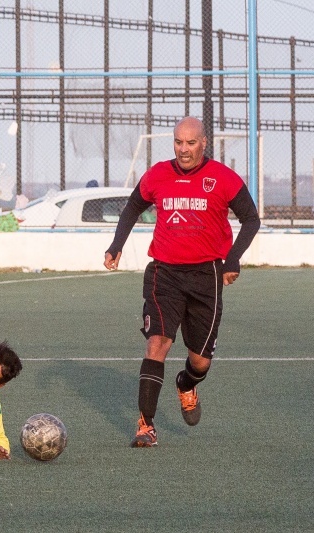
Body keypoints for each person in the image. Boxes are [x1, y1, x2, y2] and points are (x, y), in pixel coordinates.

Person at [103, 116, 261, 448]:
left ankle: (186, 384)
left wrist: (232, 259)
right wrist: (116, 244)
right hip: (165, 273)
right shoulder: (158, 174)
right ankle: (146, 426)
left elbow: (251, 218)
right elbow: (133, 206)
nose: (184, 149)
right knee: (157, 343)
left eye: (190, 143)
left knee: (200, 361)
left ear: (204, 143)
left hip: (207, 276)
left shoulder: (222, 178)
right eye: (178, 142)